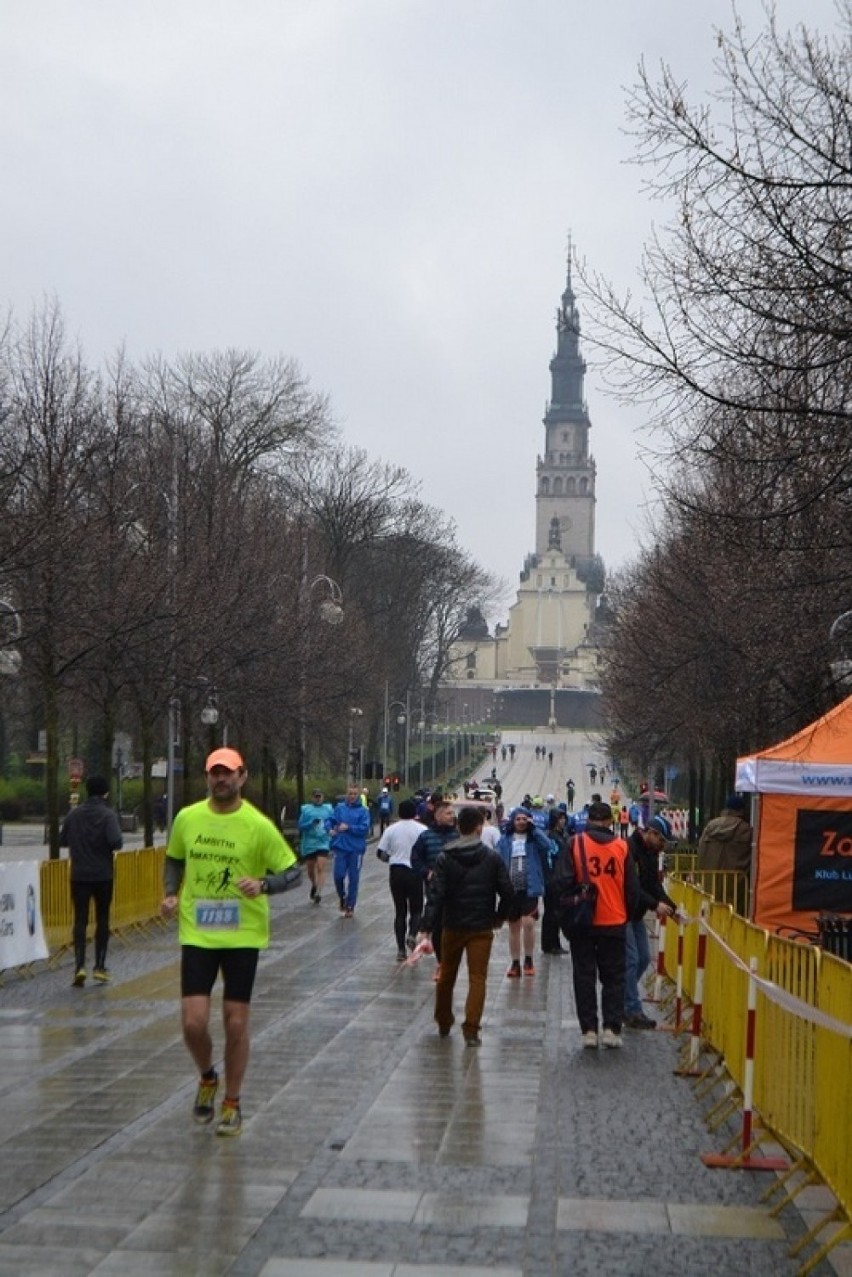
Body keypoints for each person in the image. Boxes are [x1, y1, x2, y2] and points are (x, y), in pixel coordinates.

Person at [160, 747, 299, 1137]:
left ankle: (232, 1102)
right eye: (214, 773)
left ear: (242, 776)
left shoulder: (257, 825)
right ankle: (207, 1077)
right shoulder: (188, 818)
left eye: (228, 773)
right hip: (198, 931)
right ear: (207, 777)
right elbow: (174, 859)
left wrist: (263, 884)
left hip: (242, 934)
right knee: (192, 1022)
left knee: (235, 1023)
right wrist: (171, 892)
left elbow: (293, 872)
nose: (221, 779)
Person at [418, 806, 514, 1045]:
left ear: (459, 828)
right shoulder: (492, 858)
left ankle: (443, 1020)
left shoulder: (445, 857)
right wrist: (499, 917)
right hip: (481, 927)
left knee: (447, 975)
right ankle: (471, 1029)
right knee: (477, 978)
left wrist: (426, 928)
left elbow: (436, 895)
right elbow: (508, 893)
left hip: (452, 925)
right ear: (480, 828)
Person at [553, 800, 639, 1049]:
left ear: (588, 819)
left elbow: (561, 882)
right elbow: (631, 888)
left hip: (583, 920)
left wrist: (565, 915)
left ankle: (589, 1030)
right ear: (610, 821)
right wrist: (628, 916)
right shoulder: (622, 847)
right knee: (614, 977)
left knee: (584, 975)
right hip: (614, 920)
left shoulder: (574, 843)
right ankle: (611, 1028)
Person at [60, 775, 123, 987]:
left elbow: (62, 840)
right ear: (105, 793)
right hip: (103, 875)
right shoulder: (108, 815)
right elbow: (116, 842)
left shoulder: (74, 815)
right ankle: (100, 966)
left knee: (80, 920)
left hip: (78, 875)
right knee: (103, 919)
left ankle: (79, 966)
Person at [624, 814, 677, 1028]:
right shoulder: (630, 849)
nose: (663, 845)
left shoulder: (651, 853)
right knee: (632, 960)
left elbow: (653, 885)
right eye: (661, 839)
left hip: (637, 913)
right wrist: (655, 905)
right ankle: (632, 1009)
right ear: (651, 833)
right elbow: (633, 886)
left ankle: (622, 996)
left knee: (645, 958)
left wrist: (671, 907)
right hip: (623, 911)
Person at [496, 807, 552, 977]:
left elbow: (548, 846)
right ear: (512, 821)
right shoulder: (505, 840)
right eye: (518, 819)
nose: (521, 822)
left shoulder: (534, 838)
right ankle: (515, 962)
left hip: (530, 888)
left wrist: (535, 829)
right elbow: (497, 858)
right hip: (511, 889)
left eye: (524, 819)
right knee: (514, 927)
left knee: (528, 924)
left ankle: (529, 959)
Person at [411, 800, 459, 979]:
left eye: (452, 813)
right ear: (438, 816)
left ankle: (449, 962)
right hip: (434, 889)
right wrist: (426, 872)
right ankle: (441, 963)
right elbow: (415, 858)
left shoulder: (457, 836)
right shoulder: (426, 837)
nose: (452, 816)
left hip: (456, 890)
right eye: (448, 813)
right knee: (438, 926)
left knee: (452, 928)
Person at [377, 798, 424, 959]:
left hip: (397, 872)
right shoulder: (422, 829)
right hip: (415, 872)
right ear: (415, 813)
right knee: (417, 909)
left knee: (400, 911)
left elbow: (380, 853)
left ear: (399, 813)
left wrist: (392, 858)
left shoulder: (391, 829)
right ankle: (412, 934)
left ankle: (400, 950)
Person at [329, 783, 373, 917]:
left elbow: (364, 828)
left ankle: (350, 905)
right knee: (338, 876)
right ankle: (342, 896)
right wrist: (329, 829)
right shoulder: (340, 808)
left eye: (354, 794)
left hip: (356, 849)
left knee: (353, 878)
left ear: (358, 794)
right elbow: (330, 821)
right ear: (346, 794)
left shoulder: (363, 811)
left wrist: (349, 827)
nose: (352, 796)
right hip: (341, 847)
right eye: (350, 794)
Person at [697, 794, 752, 874]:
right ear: (742, 810)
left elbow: (701, 850)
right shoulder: (745, 829)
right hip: (736, 882)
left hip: (708, 879)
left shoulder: (710, 826)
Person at [297, 788, 333, 904]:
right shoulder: (306, 810)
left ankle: (318, 893)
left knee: (321, 867)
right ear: (312, 798)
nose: (318, 799)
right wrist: (310, 823)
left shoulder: (328, 809)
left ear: (323, 797)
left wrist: (331, 829)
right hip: (309, 843)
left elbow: (333, 821)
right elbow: (300, 825)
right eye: (316, 797)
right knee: (310, 869)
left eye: (320, 796)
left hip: (323, 841)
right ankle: (314, 884)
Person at [541, 807, 568, 955]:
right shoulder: (552, 837)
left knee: (553, 912)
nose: (563, 821)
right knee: (552, 912)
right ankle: (551, 944)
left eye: (564, 818)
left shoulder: (560, 835)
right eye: (560, 818)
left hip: (557, 878)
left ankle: (551, 943)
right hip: (553, 879)